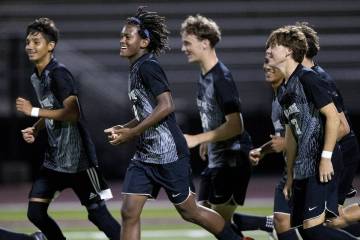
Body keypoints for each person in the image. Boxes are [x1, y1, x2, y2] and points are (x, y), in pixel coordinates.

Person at [104, 7, 248, 240]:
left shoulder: (149, 66)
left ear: (144, 41)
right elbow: (147, 112)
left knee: (190, 212)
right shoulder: (137, 67)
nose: (122, 40)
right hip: (145, 155)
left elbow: (166, 105)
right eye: (121, 35)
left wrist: (132, 134)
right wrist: (127, 127)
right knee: (129, 211)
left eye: (127, 36)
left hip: (169, 153)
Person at [16, 18, 120, 240]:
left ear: (50, 46)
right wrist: (36, 127)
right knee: (35, 212)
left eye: (36, 41)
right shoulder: (36, 76)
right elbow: (52, 109)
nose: (29, 46)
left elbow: (72, 113)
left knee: (97, 215)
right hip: (54, 160)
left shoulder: (59, 73)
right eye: (27, 42)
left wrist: (33, 112)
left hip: (80, 162)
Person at [265, 25, 357, 240]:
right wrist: (289, 175)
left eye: (274, 46)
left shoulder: (309, 77)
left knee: (315, 228)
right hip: (303, 166)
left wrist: (325, 158)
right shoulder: (285, 87)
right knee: (308, 231)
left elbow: (335, 118)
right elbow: (292, 135)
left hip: (321, 163)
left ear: (288, 51)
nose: (268, 51)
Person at [180, 14, 252, 225]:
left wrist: (199, 138)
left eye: (187, 43)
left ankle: (272, 225)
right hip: (216, 157)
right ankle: (267, 224)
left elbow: (236, 125)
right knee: (202, 214)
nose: (183, 48)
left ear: (205, 43)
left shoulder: (222, 78)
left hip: (232, 157)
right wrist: (208, 140)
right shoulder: (204, 75)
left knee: (217, 222)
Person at [295, 21, 360, 237]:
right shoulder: (305, 77)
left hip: (340, 154)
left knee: (324, 223)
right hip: (333, 155)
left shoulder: (317, 78)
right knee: (319, 222)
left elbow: (342, 127)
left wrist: (319, 153)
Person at [233, 64, 296, 240]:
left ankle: (267, 223)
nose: (267, 66)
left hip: (309, 167)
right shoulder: (277, 98)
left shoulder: (293, 93)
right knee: (289, 221)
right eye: (266, 61)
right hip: (292, 169)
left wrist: (287, 143)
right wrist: (263, 150)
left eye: (273, 61)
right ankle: (270, 223)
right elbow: (283, 138)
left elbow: (315, 129)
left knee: (325, 222)